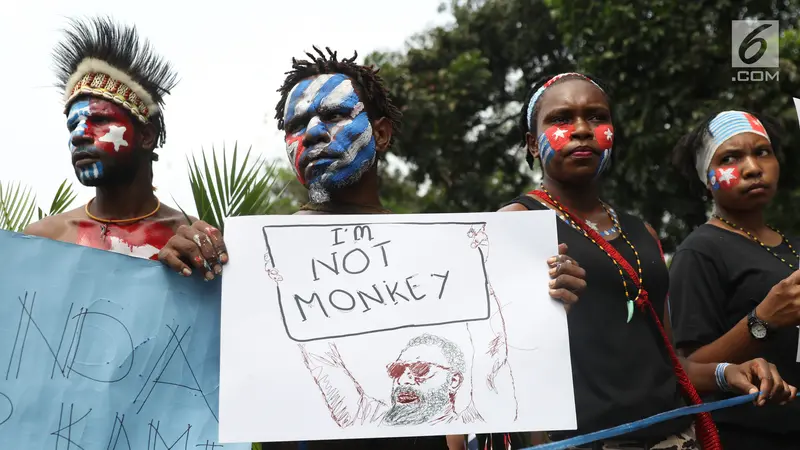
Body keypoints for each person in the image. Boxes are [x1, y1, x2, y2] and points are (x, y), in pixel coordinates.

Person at [158, 48, 586, 450]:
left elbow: (482, 389)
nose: (311, 133)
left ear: (380, 133)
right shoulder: (244, 263)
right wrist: (180, 272)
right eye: (295, 125)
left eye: (334, 115)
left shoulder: (442, 257)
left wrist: (536, 308)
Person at [496, 73, 796, 450]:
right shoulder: (516, 222)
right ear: (532, 145)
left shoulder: (643, 233)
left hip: (672, 438)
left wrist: (728, 373)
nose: (582, 130)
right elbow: (495, 356)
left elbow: (670, 363)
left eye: (596, 117)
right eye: (561, 119)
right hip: (584, 441)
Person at [669, 109, 800, 449]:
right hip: (748, 436)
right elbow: (690, 369)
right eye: (730, 158)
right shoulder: (699, 252)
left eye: (762, 152)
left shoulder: (792, 245)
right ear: (706, 177)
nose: (753, 168)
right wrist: (763, 320)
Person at [23, 16, 195, 263]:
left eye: (100, 121)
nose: (79, 135)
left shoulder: (189, 240)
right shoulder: (45, 240)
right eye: (72, 125)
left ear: (146, 136)